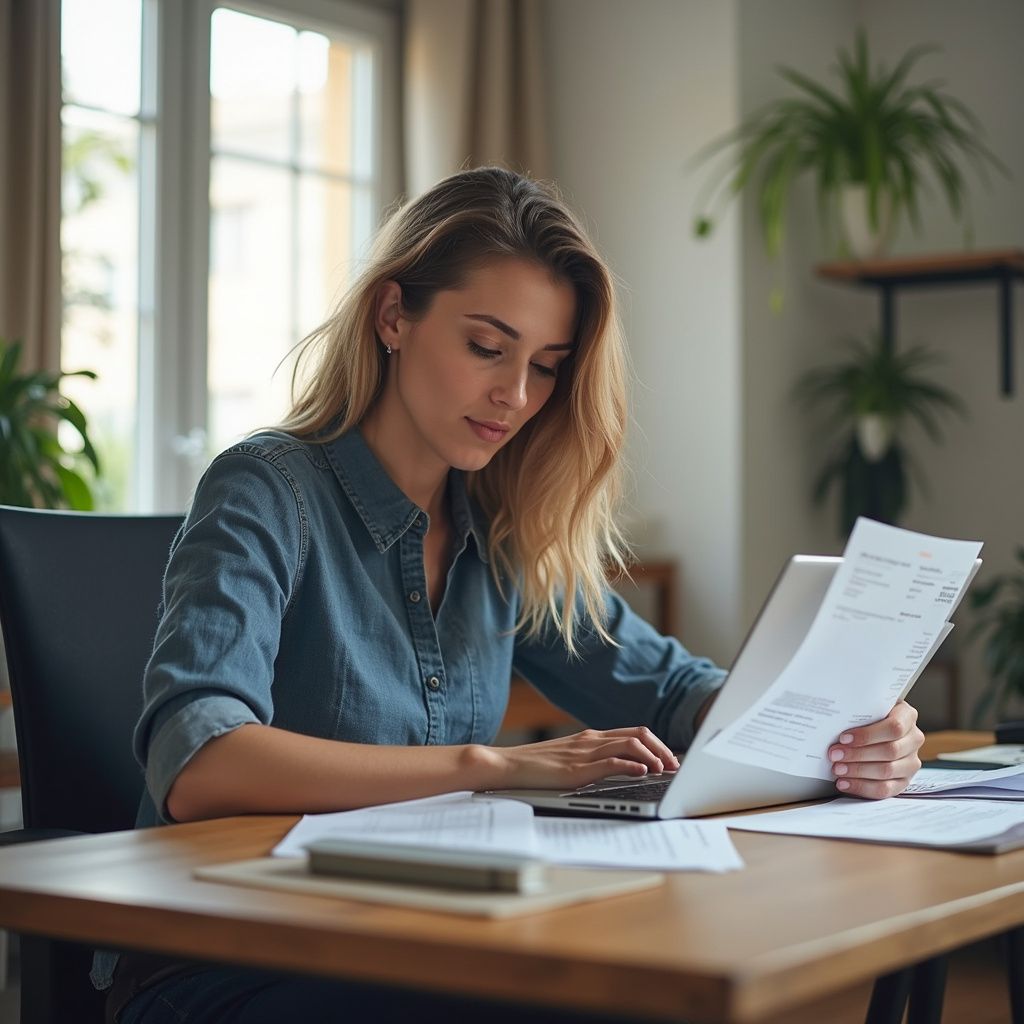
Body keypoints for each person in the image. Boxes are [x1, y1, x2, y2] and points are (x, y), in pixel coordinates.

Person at [99, 167, 924, 1022]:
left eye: (546, 367)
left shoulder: (498, 532)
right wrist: (495, 767)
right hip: (232, 960)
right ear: (393, 316)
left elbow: (676, 692)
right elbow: (200, 763)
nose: (516, 396)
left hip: (432, 944)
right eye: (487, 348)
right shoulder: (266, 488)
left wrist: (848, 728)